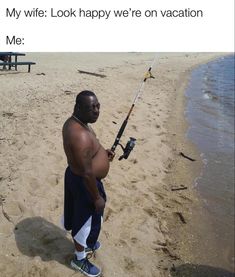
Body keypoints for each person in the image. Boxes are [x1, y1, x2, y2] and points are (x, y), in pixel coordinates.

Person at [62, 90, 114, 277]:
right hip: (85, 183)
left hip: (79, 176)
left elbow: (87, 154)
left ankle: (89, 243)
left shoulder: (79, 121)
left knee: (86, 219)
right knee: (84, 222)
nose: (97, 110)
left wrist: (103, 154)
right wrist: (97, 197)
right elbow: (86, 173)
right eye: (91, 107)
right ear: (78, 107)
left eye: (98, 105)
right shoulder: (79, 134)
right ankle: (79, 259)